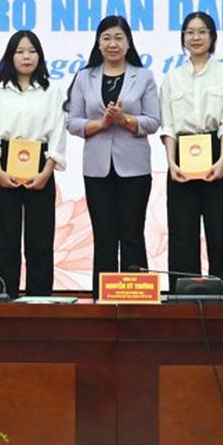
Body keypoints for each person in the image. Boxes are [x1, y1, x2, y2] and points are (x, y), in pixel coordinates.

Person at [66, 15, 161, 290]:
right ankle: (103, 298)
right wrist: (101, 124)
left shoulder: (143, 76)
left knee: (132, 234)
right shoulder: (84, 77)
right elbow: (73, 122)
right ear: (98, 43)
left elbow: (153, 121)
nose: (113, 44)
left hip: (135, 169)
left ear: (128, 43)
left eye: (119, 38)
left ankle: (136, 297)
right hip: (97, 169)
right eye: (106, 38)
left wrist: (125, 120)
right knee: (104, 236)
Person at [0, 30, 67, 298]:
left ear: (40, 56)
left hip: (40, 163)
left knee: (40, 238)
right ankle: (5, 296)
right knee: (5, 238)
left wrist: (46, 172)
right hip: (5, 163)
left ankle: (39, 298)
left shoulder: (52, 91)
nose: (26, 57)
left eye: (32, 51)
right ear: (10, 56)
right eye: (19, 52)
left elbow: (58, 132)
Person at [158, 12, 223, 284]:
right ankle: (183, 295)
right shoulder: (172, 78)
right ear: (183, 38)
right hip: (182, 154)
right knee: (182, 231)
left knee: (221, 228)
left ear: (212, 37)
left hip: (216, 150)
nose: (196, 37)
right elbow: (169, 126)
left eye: (202, 31)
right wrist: (171, 163)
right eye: (190, 32)